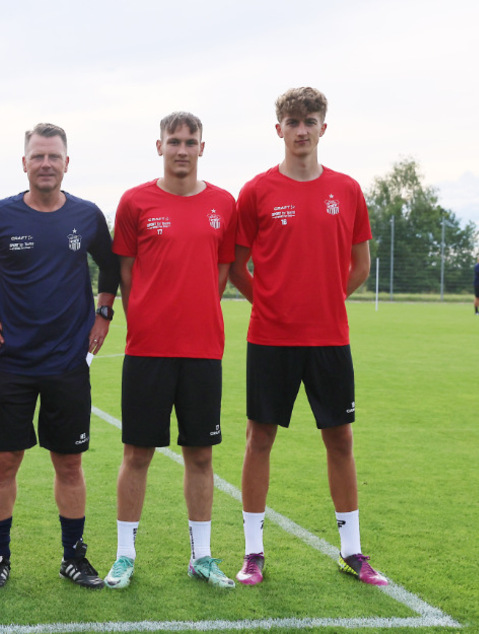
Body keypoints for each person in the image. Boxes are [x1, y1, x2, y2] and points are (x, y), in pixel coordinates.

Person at [228, 87, 387, 586]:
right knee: (259, 438)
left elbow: (360, 265)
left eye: (310, 120)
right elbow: (235, 266)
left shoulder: (348, 189)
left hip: (329, 339)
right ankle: (253, 552)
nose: (301, 130)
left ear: (324, 127)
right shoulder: (256, 191)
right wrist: (271, 302)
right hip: (270, 339)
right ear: (279, 129)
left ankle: (352, 551)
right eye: (292, 121)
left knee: (339, 438)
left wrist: (323, 301)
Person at [0, 123, 119, 590]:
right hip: (12, 363)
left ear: (66, 163)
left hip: (68, 364)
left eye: (54, 156)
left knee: (69, 464)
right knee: (5, 461)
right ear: (25, 162)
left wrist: (104, 312)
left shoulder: (88, 216)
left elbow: (111, 265)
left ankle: (73, 556)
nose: (46, 163)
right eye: (38, 156)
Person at [105, 112, 237, 590]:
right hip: (148, 349)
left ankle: (202, 556)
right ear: (158, 146)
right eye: (173, 141)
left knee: (200, 454)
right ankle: (124, 556)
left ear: (203, 147)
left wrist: (195, 311)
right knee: (136, 452)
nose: (181, 149)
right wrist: (148, 316)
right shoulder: (135, 202)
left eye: (190, 141)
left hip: (203, 349)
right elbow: (125, 272)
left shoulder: (224, 203)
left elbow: (222, 271)